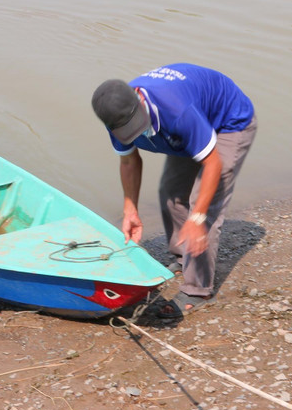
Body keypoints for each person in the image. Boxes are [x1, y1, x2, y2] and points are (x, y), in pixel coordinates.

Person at [91, 63, 257, 318]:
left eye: (137, 123)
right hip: (188, 126)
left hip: (228, 122)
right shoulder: (115, 117)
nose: (136, 131)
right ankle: (184, 257)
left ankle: (197, 290)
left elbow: (213, 163)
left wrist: (197, 218)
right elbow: (129, 161)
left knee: (203, 206)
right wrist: (130, 209)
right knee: (171, 194)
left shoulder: (176, 110)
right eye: (128, 129)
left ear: (138, 96)